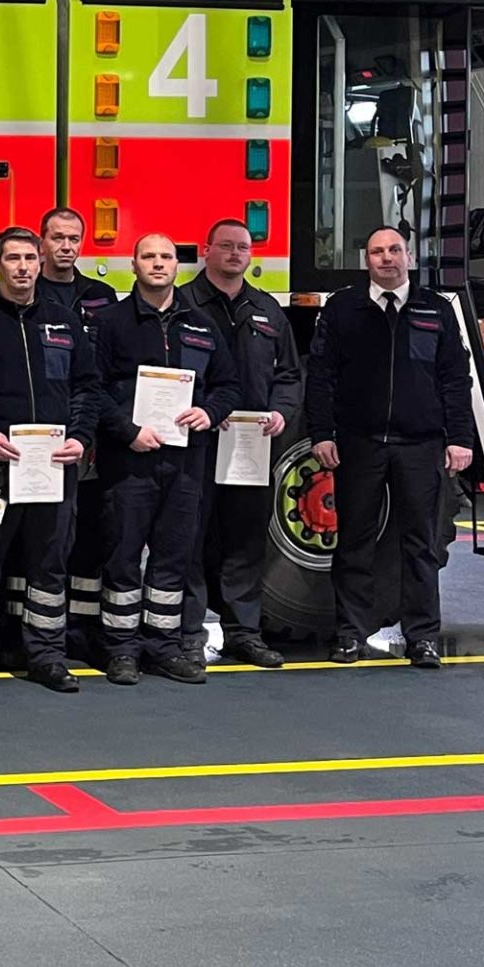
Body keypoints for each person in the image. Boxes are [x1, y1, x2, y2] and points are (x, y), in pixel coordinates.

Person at [306, 226, 474, 668]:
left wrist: (460, 438)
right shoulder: (343, 309)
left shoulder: (435, 310)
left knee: (421, 544)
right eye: (377, 251)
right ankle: (350, 634)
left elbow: (455, 379)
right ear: (367, 260)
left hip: (421, 445)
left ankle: (422, 638)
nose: (386, 258)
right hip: (359, 444)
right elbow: (320, 376)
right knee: (354, 542)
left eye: (394, 250)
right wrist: (322, 432)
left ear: (409, 256)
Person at [0, 228, 100, 695]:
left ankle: (47, 656)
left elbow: (87, 386)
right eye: (12, 258)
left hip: (54, 467)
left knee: (50, 565)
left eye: (29, 258)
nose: (22, 267)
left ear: (39, 263)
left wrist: (80, 436)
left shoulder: (64, 322)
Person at [91, 233, 240, 686]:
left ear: (178, 264)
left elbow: (228, 385)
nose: (158, 264)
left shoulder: (200, 324)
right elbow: (91, 388)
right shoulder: (112, 323)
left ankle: (163, 646)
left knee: (173, 558)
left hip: (185, 462)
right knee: (123, 555)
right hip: (129, 459)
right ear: (132, 265)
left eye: (166, 257)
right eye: (148, 256)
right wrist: (127, 431)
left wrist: (209, 412)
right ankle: (120, 649)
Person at [177, 219, 301, 669]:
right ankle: (188, 633)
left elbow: (289, 375)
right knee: (190, 539)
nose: (234, 254)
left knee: (246, 540)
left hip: (249, 448)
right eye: (225, 246)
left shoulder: (267, 309)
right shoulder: (182, 305)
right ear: (205, 250)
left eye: (242, 248)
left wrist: (282, 412)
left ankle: (243, 632)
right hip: (194, 442)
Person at [35, 207, 118, 655]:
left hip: (88, 433)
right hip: (36, 438)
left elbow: (108, 371)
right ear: (42, 242)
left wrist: (90, 432)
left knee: (90, 535)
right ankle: (31, 634)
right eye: (58, 238)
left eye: (73, 239)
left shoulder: (101, 297)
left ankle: (82, 633)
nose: (66, 246)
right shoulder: (29, 293)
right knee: (40, 539)